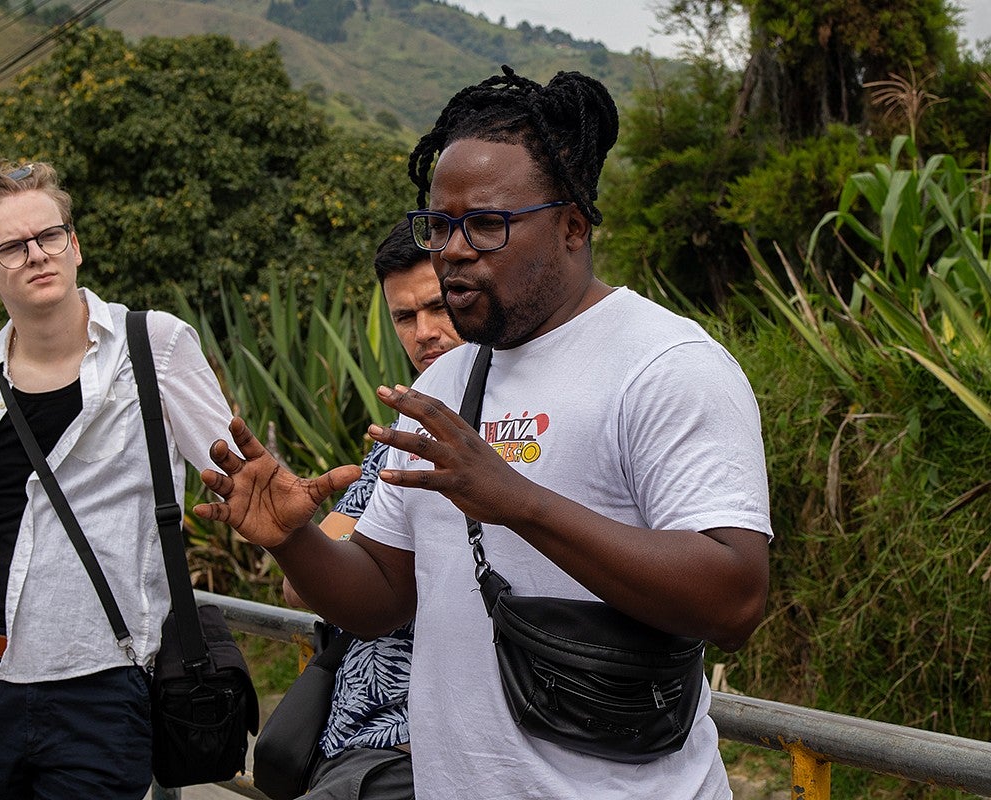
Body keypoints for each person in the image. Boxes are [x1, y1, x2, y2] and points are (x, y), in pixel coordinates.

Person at [195, 66, 772, 800]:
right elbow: (380, 598)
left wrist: (518, 502)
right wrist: (293, 539)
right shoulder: (442, 386)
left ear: (572, 224)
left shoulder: (666, 365)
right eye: (438, 225)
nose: (453, 249)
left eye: (487, 224)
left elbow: (734, 600)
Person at [0, 160, 233, 800]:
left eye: (49, 236)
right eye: (10, 248)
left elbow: (231, 471)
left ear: (73, 244)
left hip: (102, 685)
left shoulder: (154, 345)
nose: (36, 255)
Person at [282, 219, 462, 799]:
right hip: (365, 740)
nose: (425, 334)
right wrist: (293, 531)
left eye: (440, 307)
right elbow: (302, 589)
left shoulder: (525, 422)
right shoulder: (401, 433)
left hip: (440, 749)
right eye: (406, 318)